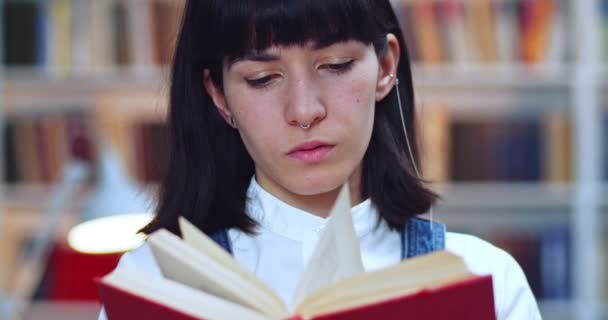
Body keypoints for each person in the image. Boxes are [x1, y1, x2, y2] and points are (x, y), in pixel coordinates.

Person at [99, 0, 541, 319]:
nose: (305, 111)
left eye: (335, 65)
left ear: (386, 66)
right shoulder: (154, 285)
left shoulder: (482, 280)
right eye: (262, 78)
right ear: (218, 95)